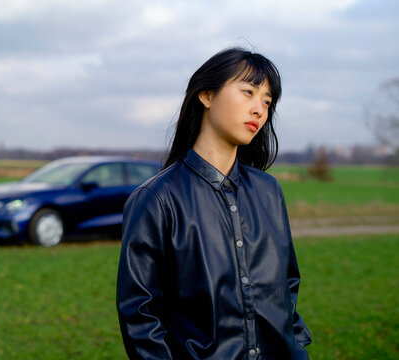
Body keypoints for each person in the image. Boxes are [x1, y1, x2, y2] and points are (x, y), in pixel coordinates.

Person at [116, 47, 312, 359]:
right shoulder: (156, 200)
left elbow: (286, 288)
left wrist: (298, 350)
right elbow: (140, 316)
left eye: (266, 101)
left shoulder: (268, 191)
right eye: (248, 92)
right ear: (206, 96)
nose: (259, 109)